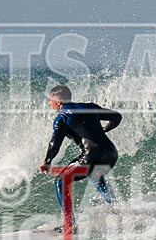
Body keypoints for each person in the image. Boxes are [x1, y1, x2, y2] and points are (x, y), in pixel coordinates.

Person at [39, 84, 121, 213]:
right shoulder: (89, 107)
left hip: (91, 155)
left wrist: (47, 161)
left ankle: (69, 224)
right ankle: (116, 209)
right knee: (95, 174)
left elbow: (55, 143)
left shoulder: (62, 117)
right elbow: (116, 117)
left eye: (51, 101)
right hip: (111, 153)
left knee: (61, 180)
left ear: (58, 101)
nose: (50, 104)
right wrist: (103, 130)